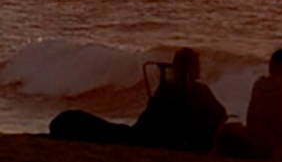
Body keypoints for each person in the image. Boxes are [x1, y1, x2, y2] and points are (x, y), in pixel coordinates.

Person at [50, 47, 225, 153]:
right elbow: (220, 116)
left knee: (87, 125)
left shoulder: (168, 87)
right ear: (192, 67)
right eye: (197, 66)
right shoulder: (197, 91)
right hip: (149, 137)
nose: (200, 70)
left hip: (143, 134)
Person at [132, 47, 226, 152]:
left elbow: (151, 114)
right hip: (190, 142)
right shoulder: (200, 90)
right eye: (197, 65)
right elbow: (221, 114)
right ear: (190, 68)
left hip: (162, 137)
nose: (199, 68)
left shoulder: (165, 88)